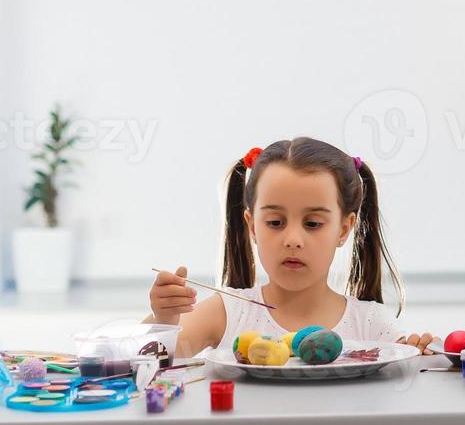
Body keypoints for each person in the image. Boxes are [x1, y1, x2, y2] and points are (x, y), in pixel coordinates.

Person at [149, 137, 437, 357]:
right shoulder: (228, 313)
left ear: (344, 229)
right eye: (275, 222)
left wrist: (423, 354)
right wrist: (164, 319)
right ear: (252, 226)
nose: (293, 239)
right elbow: (145, 359)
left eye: (312, 224)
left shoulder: (373, 324)